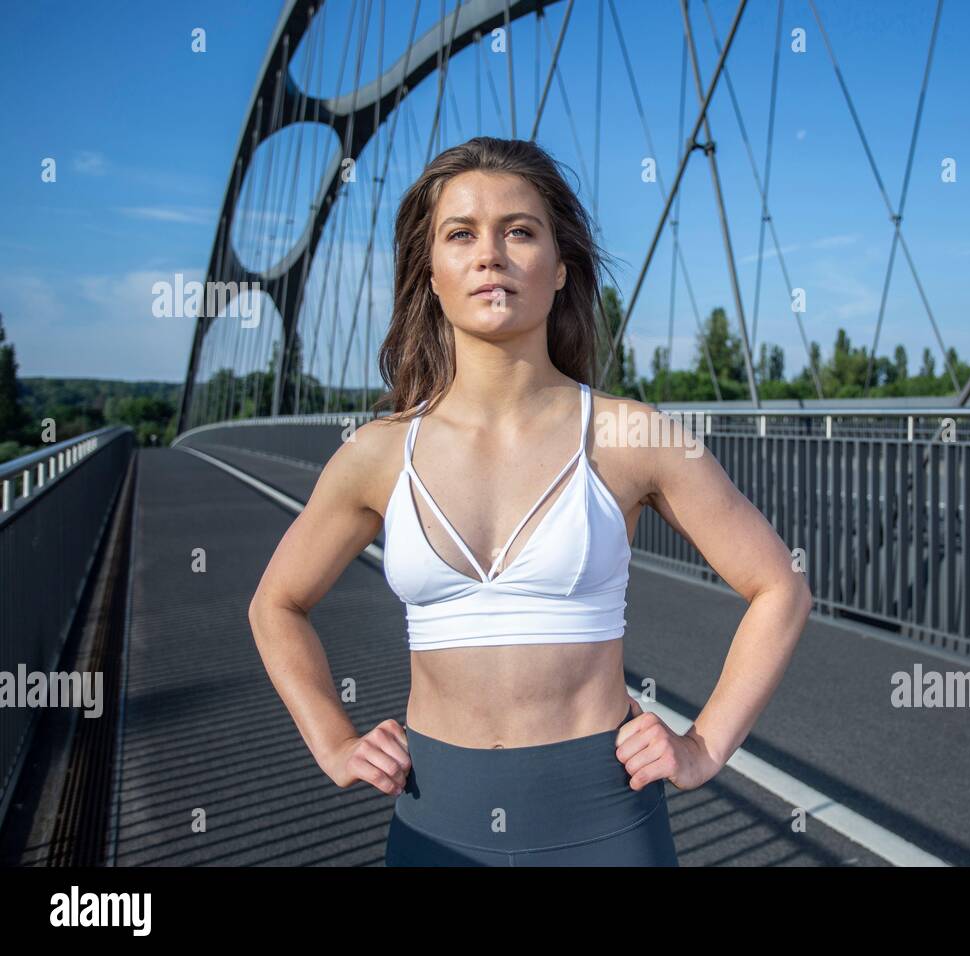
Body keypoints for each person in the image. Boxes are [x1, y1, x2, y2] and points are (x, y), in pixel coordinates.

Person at [247, 136, 812, 866]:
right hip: (433, 828)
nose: (491, 254)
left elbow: (779, 588)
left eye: (519, 230)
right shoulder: (378, 454)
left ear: (559, 271)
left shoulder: (630, 435)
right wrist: (333, 741)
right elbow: (275, 605)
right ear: (433, 273)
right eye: (461, 234)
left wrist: (702, 746)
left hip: (605, 826)